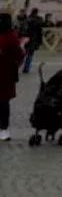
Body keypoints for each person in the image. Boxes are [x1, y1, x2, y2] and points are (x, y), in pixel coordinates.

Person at [0, 12, 24, 142]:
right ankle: (4, 129)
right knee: (3, 103)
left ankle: (3, 129)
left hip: (5, 74)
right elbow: (19, 56)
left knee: (3, 103)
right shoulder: (12, 37)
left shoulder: (10, 37)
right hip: (6, 74)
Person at [20, 7, 43, 74]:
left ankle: (18, 66)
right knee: (30, 54)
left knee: (23, 53)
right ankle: (26, 68)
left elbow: (23, 28)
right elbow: (40, 30)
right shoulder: (39, 20)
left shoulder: (27, 19)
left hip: (26, 38)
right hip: (34, 39)